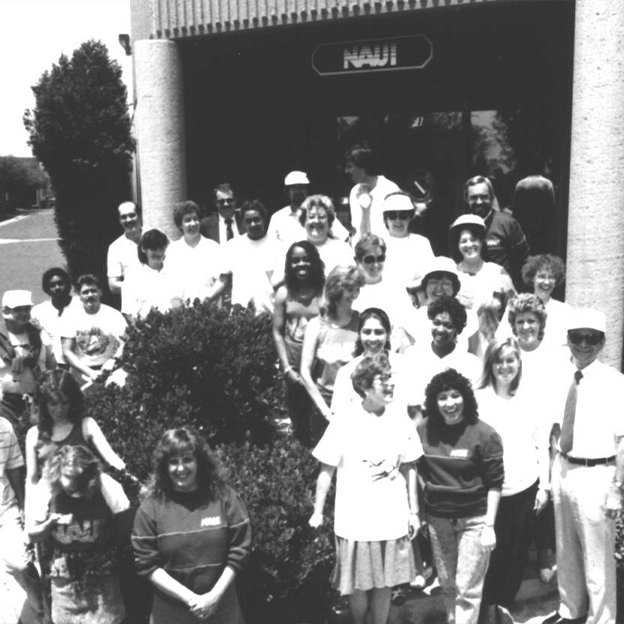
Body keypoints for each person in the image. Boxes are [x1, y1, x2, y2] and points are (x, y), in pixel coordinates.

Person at [309, 353, 422, 624]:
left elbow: (409, 468)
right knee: (357, 584)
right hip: (355, 520)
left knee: (386, 582)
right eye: (383, 379)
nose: (391, 383)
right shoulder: (344, 420)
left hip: (392, 518)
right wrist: (318, 512)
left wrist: (414, 513)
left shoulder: (401, 420)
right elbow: (326, 470)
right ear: (365, 386)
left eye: (390, 377)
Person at [543, 308, 624, 624]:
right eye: (578, 337)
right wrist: (552, 472)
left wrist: (617, 489)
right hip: (564, 469)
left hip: (597, 475)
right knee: (566, 551)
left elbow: (623, 440)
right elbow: (553, 427)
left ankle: (601, 618)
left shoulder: (615, 382)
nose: (584, 345)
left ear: (602, 342)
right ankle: (571, 610)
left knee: (597, 558)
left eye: (592, 338)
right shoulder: (560, 376)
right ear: (569, 339)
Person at [133, 427, 252, 624]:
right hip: (171, 614)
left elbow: (240, 549)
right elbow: (147, 564)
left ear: (199, 462)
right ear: (164, 466)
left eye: (187, 459)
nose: (181, 468)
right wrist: (191, 599)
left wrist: (214, 596)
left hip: (222, 610)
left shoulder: (225, 498)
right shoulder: (150, 509)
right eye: (173, 462)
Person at [417, 368, 504, 624]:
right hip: (438, 519)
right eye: (442, 397)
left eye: (455, 395)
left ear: (466, 397)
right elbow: (418, 470)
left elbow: (495, 483)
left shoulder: (485, 435)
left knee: (467, 588)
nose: (450, 403)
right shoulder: (423, 430)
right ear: (434, 401)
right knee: (447, 583)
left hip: (474, 520)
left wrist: (489, 525)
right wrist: (424, 508)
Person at [475, 338, 550, 622]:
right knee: (490, 556)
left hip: (525, 487)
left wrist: (544, 486)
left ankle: (502, 604)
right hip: (489, 492)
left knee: (515, 554)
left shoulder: (531, 397)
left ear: (519, 362)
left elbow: (542, 444)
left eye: (510, 360)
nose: (505, 366)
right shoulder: (478, 398)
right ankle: (488, 608)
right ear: (490, 364)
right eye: (499, 360)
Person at [27, 445, 130, 624]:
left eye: (79, 481)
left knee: (109, 619)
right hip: (63, 571)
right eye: (68, 479)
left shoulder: (106, 485)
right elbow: (32, 535)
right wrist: (49, 524)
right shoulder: (46, 488)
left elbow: (125, 519)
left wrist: (109, 545)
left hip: (101, 567)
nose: (74, 488)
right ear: (58, 471)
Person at [25, 369, 126, 491]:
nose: (59, 409)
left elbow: (113, 460)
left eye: (65, 403)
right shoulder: (34, 434)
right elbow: (32, 481)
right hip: (52, 498)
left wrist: (134, 483)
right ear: (44, 403)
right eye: (53, 404)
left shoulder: (86, 425)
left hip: (86, 495)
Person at [300, 265, 364, 445]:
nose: (354, 295)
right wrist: (326, 412)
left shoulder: (362, 322)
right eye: (349, 289)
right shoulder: (316, 326)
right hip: (324, 405)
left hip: (356, 405)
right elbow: (304, 372)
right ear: (335, 290)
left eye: (357, 289)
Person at [272, 241, 325, 445]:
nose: (301, 264)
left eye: (305, 259)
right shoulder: (283, 293)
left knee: (320, 417)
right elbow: (277, 332)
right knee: (299, 419)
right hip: (293, 366)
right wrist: (286, 368)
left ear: (314, 261)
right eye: (295, 261)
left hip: (319, 366)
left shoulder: (324, 291)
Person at [404, 296, 481, 417]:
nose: (440, 330)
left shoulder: (471, 364)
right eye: (436, 323)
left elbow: (474, 406)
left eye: (448, 325)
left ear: (458, 329)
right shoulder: (413, 356)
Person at [0, 414, 44, 623]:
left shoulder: (4, 427)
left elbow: (14, 468)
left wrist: (23, 504)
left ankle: (43, 612)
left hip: (6, 509)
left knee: (22, 564)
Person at [208, 200, 284, 314]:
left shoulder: (279, 247)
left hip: (271, 314)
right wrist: (206, 300)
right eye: (248, 221)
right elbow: (223, 280)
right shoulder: (233, 246)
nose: (253, 224)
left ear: (264, 219)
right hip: (241, 315)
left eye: (256, 219)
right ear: (243, 222)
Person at [331, 307, 408, 416]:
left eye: (378, 332)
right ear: (359, 334)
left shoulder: (404, 365)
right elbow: (338, 416)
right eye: (367, 332)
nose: (372, 338)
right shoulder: (346, 372)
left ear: (388, 334)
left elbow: (415, 410)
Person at [463, 176, 530, 290]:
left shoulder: (508, 224)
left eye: (484, 197)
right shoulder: (460, 227)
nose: (479, 202)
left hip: (501, 291)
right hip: (469, 291)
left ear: (492, 197)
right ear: (466, 199)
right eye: (474, 197)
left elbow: (524, 261)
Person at [60, 274, 127, 387]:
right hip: (81, 373)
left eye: (93, 291)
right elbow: (67, 352)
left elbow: (125, 344)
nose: (90, 295)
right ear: (79, 295)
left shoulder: (114, 315)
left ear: (100, 292)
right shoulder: (69, 316)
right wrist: (90, 373)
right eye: (85, 292)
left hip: (110, 371)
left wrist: (113, 361)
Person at [352, 233, 415, 351]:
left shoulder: (396, 288)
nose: (376, 265)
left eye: (380, 259)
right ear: (357, 261)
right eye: (369, 260)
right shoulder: (351, 290)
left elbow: (408, 324)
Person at [0, 289, 53, 430]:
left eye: (27, 308)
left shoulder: (40, 335)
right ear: (6, 311)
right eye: (18, 309)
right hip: (6, 405)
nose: (23, 313)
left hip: (38, 400)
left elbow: (52, 368)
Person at [449, 214, 515, 312]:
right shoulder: (451, 273)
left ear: (482, 241)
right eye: (463, 241)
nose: (469, 245)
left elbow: (514, 309)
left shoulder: (498, 273)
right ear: (458, 245)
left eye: (473, 240)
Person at [268, 171, 349, 245]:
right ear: (287, 191)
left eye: (301, 187)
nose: (298, 191)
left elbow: (345, 238)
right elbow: (270, 245)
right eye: (294, 188)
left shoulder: (321, 213)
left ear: (306, 190)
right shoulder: (277, 218)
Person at [166, 201, 223, 305]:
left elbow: (220, 281)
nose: (193, 223)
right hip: (182, 309)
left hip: (209, 306)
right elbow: (171, 286)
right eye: (188, 220)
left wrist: (208, 300)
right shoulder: (173, 251)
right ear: (180, 225)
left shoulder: (213, 247)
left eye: (195, 219)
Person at [381, 191, 434, 292]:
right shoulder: (377, 243)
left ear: (410, 217)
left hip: (414, 295)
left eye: (403, 215)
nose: (398, 221)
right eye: (392, 216)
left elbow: (429, 275)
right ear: (386, 219)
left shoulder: (421, 243)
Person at [345, 143, 400, 239]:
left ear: (362, 167)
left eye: (350, 166)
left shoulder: (390, 189)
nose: (346, 171)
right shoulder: (354, 191)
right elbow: (356, 229)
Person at [124, 228, 182, 319]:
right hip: (146, 326)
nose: (159, 253)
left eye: (161, 248)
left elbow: (184, 303)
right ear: (143, 249)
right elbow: (129, 314)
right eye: (154, 249)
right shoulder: (131, 277)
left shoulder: (176, 273)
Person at [31, 267, 79, 368]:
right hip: (53, 366)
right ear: (47, 289)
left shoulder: (80, 305)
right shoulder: (39, 311)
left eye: (61, 283)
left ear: (68, 285)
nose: (57, 287)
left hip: (80, 364)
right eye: (52, 285)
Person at [521, 254, 571, 348]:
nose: (547, 282)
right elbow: (503, 340)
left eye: (551, 277)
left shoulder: (565, 310)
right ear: (532, 278)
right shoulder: (517, 307)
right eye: (542, 276)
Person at [297, 195, 354, 275]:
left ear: (329, 221)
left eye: (321, 217)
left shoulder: (343, 249)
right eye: (311, 217)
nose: (316, 221)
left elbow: (352, 278)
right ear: (303, 221)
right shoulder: (294, 249)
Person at [107, 201, 145, 314]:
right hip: (133, 307)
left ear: (140, 216)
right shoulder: (115, 248)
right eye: (123, 217)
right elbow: (113, 285)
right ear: (119, 221)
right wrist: (139, 286)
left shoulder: (155, 235)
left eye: (132, 215)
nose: (128, 220)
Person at [511, 176, 557, 255]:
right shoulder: (547, 183)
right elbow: (552, 207)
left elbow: (516, 208)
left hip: (526, 225)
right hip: (542, 226)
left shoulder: (521, 184)